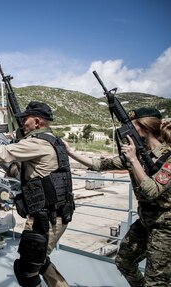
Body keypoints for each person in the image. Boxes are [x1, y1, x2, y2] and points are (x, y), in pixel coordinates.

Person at [0, 101, 74, 287]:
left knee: (26, 271)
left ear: (37, 122)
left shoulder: (36, 143)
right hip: (55, 215)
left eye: (26, 119)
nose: (22, 122)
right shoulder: (53, 141)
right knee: (40, 261)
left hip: (45, 219)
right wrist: (16, 169)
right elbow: (39, 171)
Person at [64, 107, 171, 286]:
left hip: (166, 226)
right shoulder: (135, 153)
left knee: (157, 282)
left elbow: (152, 190)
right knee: (124, 261)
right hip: (146, 220)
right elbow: (99, 164)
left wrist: (134, 160)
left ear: (145, 128)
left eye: (132, 125)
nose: (125, 130)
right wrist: (70, 152)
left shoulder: (167, 156)